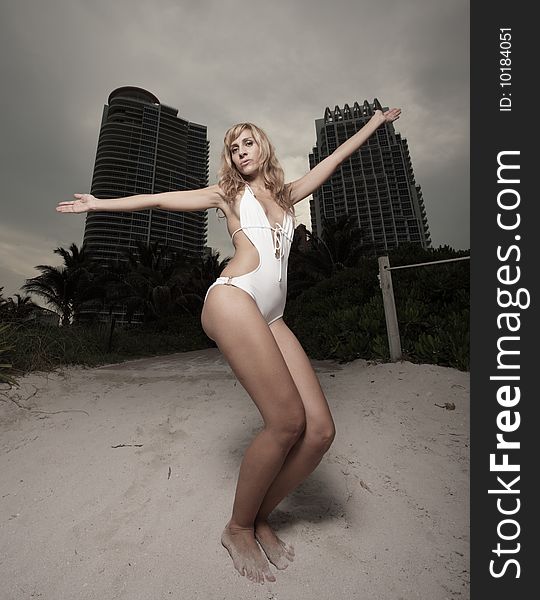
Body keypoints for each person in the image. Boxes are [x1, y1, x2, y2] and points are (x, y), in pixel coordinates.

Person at [56, 107, 401, 584]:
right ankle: (238, 527)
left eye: (247, 144)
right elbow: (160, 199)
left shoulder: (288, 193)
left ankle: (262, 517)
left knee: (319, 431)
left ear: (263, 145)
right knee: (286, 422)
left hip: (273, 314)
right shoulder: (228, 193)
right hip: (233, 297)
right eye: (233, 148)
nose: (240, 154)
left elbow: (335, 159)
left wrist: (376, 123)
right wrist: (99, 204)